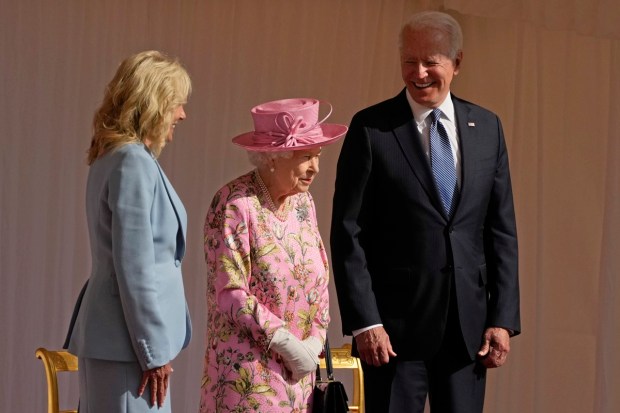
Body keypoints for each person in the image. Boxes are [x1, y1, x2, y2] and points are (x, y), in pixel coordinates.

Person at [330, 11, 521, 413]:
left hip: (468, 331)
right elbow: (348, 233)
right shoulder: (372, 129)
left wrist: (502, 318)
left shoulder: (487, 128)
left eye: (431, 61)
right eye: (409, 61)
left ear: (457, 63)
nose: (418, 73)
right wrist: (366, 321)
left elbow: (500, 230)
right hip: (393, 335)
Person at [199, 98, 348, 412]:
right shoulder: (235, 204)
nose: (316, 168)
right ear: (273, 158)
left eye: (318, 156)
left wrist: (315, 339)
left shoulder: (304, 203)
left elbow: (320, 274)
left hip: (301, 380)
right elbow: (230, 293)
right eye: (306, 156)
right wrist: (285, 342)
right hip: (250, 381)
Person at [66, 50, 193, 412]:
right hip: (129, 349)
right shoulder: (132, 162)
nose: (182, 114)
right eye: (177, 104)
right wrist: (153, 352)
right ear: (153, 104)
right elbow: (134, 267)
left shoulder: (115, 157)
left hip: (123, 344)